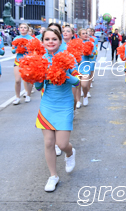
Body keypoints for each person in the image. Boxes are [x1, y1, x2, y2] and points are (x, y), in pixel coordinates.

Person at [35, 28, 80, 192]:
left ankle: (70, 153)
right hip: (47, 104)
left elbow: (77, 82)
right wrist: (39, 78)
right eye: (47, 39)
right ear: (43, 42)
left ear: (60, 41)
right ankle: (53, 176)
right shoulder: (40, 60)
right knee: (48, 143)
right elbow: (38, 86)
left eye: (54, 39)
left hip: (64, 105)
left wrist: (65, 74)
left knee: (61, 144)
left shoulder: (69, 59)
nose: (51, 42)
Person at [12, 23, 33, 105]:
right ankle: (17, 97)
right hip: (18, 61)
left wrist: (26, 48)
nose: (23, 29)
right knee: (17, 80)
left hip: (28, 61)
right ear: (19, 29)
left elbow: (34, 50)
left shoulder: (31, 39)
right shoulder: (16, 38)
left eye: (25, 27)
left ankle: (28, 95)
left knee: (28, 80)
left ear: (28, 29)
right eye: (21, 27)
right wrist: (17, 48)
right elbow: (13, 50)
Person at [77, 29, 96, 107]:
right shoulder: (76, 43)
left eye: (86, 33)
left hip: (85, 66)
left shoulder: (91, 43)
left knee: (84, 85)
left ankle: (85, 95)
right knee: (77, 85)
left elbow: (93, 54)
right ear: (80, 35)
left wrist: (89, 53)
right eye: (83, 33)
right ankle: (78, 101)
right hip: (76, 66)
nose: (85, 35)